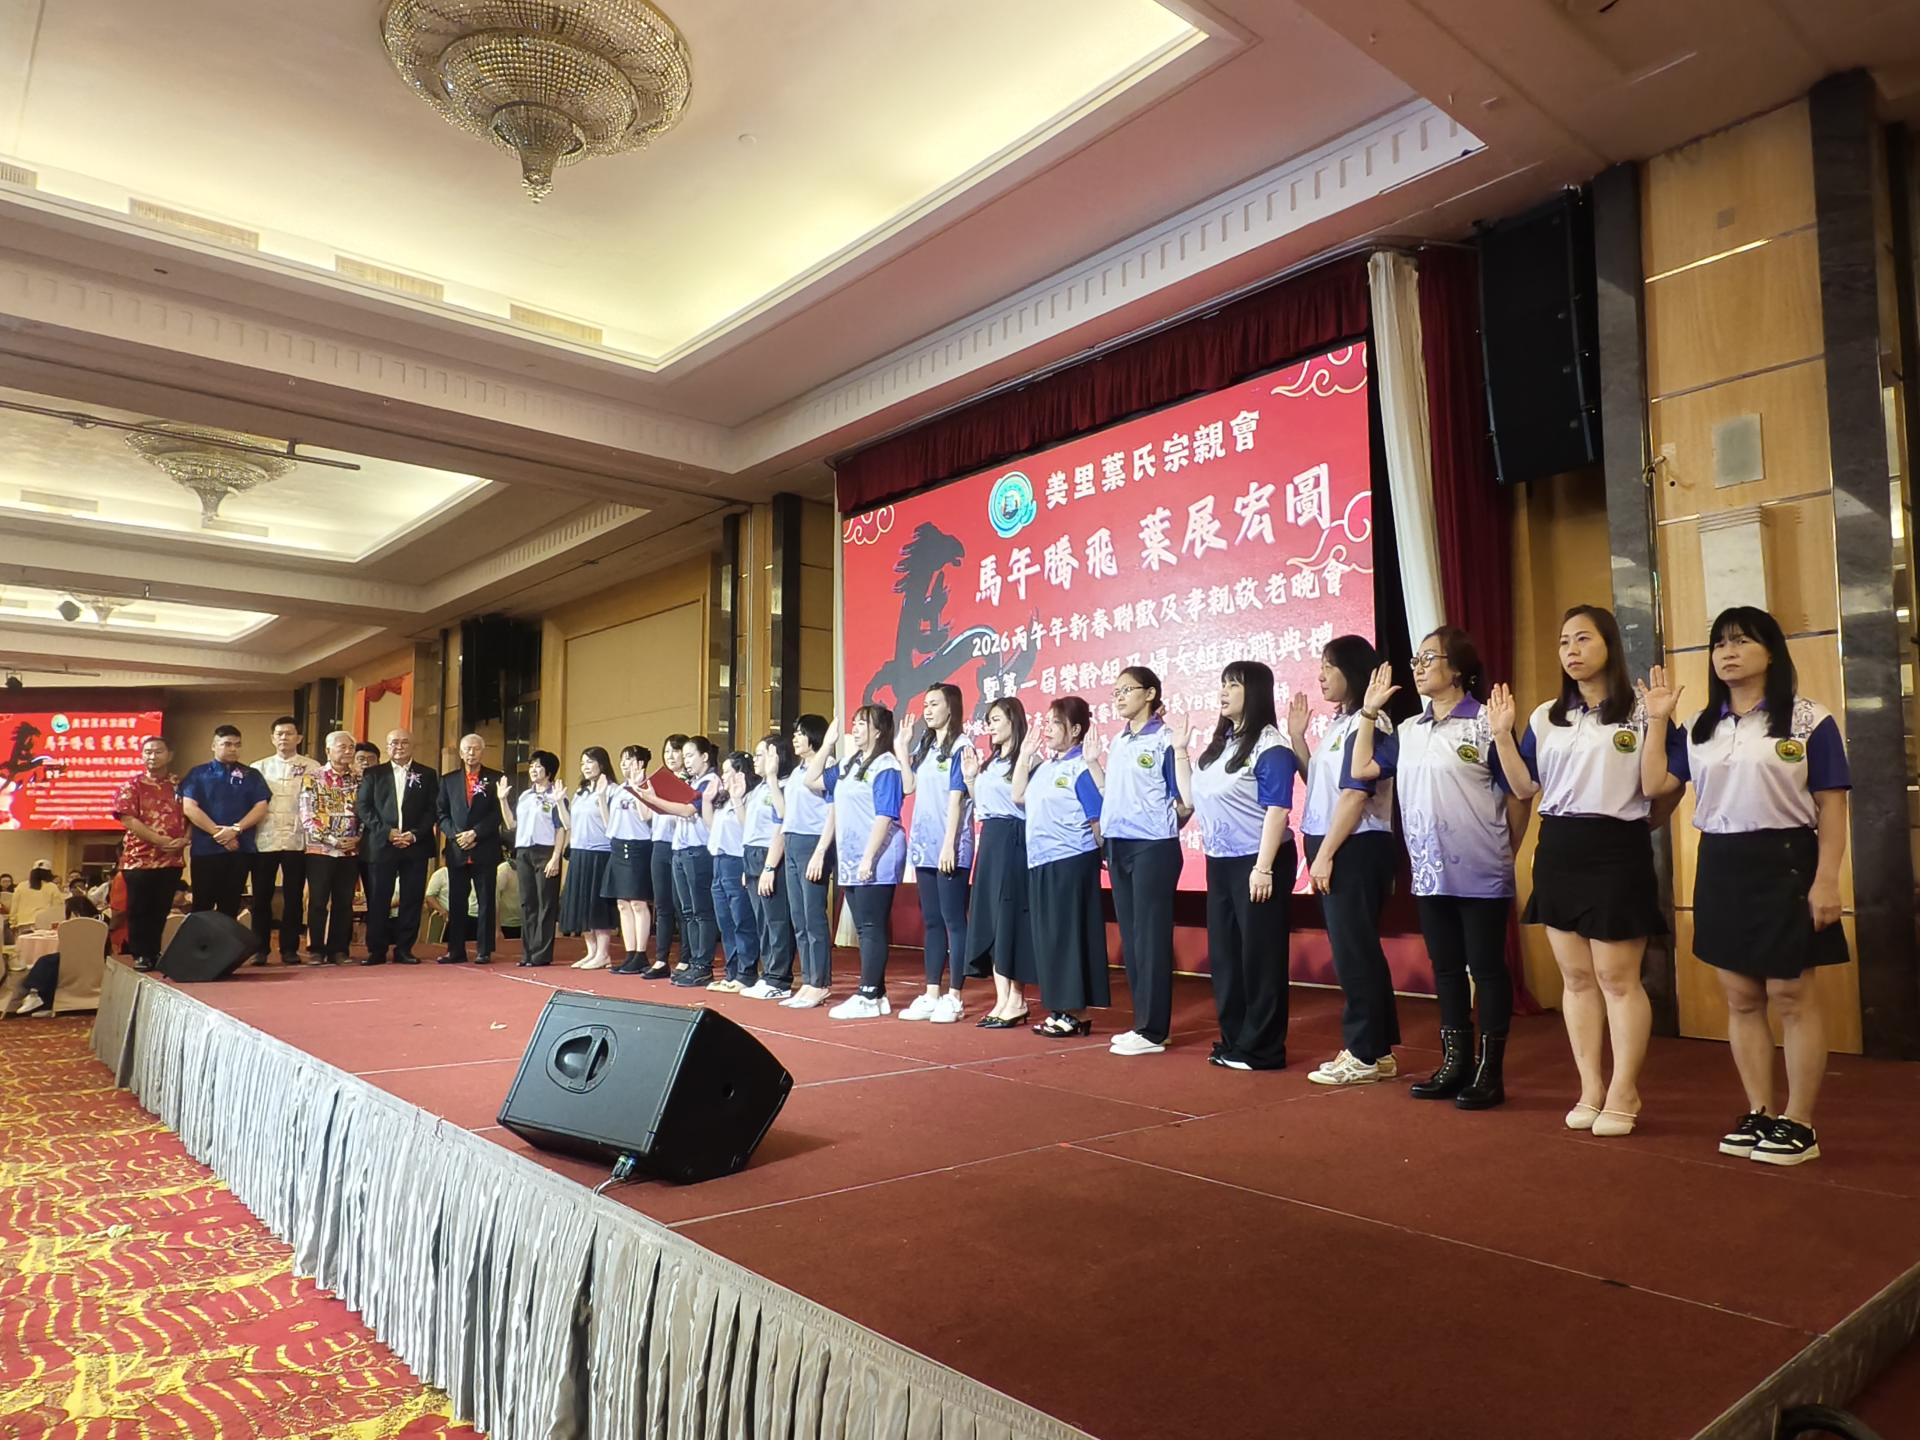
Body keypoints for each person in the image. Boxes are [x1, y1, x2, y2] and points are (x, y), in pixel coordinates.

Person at [1640, 607, 1850, 1166]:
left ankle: (1799, 1121)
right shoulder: (1702, 726)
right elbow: (1654, 784)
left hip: (1787, 861)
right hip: (1722, 863)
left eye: (1741, 642)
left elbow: (1832, 805)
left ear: (1771, 651)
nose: (1727, 653)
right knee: (1741, 997)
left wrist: (1827, 879)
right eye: (1719, 644)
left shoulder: (1808, 719)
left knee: (1791, 996)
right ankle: (1760, 1110)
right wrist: (1658, 720)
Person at [1490, 605, 1662, 1137]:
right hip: (1559, 846)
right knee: (1577, 978)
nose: (1571, 651)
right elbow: (1524, 787)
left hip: (1617, 847)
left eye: (1583, 639)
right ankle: (1590, 1086)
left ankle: (1624, 1089)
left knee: (1617, 978)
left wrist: (1658, 723)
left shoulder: (1642, 711)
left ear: (1609, 644)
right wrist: (1502, 734)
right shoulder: (1547, 716)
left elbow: (1662, 785)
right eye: (1565, 641)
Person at [1355, 630, 1517, 1108]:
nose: (1419, 666)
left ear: (1459, 668)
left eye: (1430, 658)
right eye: (1416, 659)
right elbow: (1362, 769)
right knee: (1446, 968)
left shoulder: (1486, 722)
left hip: (1483, 868)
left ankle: (1490, 1071)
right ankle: (1455, 1062)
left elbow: (1519, 791)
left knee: (1486, 969)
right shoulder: (1409, 730)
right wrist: (1368, 713)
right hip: (1429, 870)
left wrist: (1508, 849)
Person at [1300, 636, 1402, 1087]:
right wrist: (1298, 740)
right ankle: (1377, 1051)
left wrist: (1325, 854)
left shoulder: (1371, 722)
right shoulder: (1342, 722)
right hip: (1335, 841)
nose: (1321, 675)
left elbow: (1355, 794)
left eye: (1329, 666)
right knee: (1355, 950)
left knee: (1354, 951)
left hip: (1355, 845)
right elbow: (1324, 785)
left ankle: (1362, 1053)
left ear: (1353, 671)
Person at [1189, 661, 1301, 1071]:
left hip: (1259, 860)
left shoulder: (1271, 746)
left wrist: (1264, 867)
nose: (1223, 692)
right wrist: (1181, 751)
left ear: (1253, 693)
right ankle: (1235, 1039)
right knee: (1226, 956)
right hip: (1220, 862)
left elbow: (1278, 809)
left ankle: (1264, 1048)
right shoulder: (1222, 744)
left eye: (1233, 685)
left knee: (1261, 957)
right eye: (1222, 684)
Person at [1095, 665, 1191, 1057]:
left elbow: (1185, 800)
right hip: (1118, 845)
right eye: (1115, 691)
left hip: (1153, 847)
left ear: (1150, 694)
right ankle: (1144, 1024)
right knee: (1133, 938)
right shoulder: (1118, 741)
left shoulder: (1165, 740)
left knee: (1151, 938)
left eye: (1127, 690)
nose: (1118, 697)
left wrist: (1161, 827)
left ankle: (1153, 1030)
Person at [1017, 696, 1107, 1038]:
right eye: (1048, 722)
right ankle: (1060, 1008)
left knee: (1068, 937)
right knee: (1050, 937)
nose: (1049, 728)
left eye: (1056, 723)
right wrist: (1024, 757)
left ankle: (1075, 1011)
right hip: (1042, 861)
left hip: (1071, 860)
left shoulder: (1080, 767)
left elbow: (1097, 818)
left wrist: (1105, 854)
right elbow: (1018, 796)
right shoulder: (1046, 767)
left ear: (1076, 729)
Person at [898, 683, 974, 1023]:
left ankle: (954, 996)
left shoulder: (961, 746)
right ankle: (931, 993)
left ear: (950, 708)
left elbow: (957, 800)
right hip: (924, 844)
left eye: (934, 704)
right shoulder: (926, 746)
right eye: (925, 704)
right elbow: (908, 786)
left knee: (953, 920)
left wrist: (949, 844)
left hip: (950, 845)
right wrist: (902, 749)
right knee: (931, 921)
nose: (927, 710)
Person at [827, 707, 907, 1019]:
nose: (856, 728)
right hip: (851, 857)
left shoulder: (886, 765)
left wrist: (869, 857)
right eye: (854, 723)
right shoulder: (850, 763)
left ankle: (869, 994)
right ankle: (878, 993)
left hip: (876, 856)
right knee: (863, 927)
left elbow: (885, 815)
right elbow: (813, 780)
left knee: (872, 926)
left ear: (878, 731)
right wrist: (828, 743)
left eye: (863, 723)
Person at [963, 698, 1035, 1028]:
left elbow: (1026, 804)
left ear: (1012, 721)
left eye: (995, 719)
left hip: (1013, 840)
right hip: (990, 840)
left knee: (1009, 920)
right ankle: (1001, 999)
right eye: (988, 720)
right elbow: (983, 804)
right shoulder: (991, 763)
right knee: (991, 919)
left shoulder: (1026, 761)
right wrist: (970, 779)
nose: (989, 726)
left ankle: (1016, 999)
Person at [639, 737, 721, 988]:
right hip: (680, 850)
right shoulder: (692, 781)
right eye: (684, 756)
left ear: (704, 756)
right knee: (687, 911)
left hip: (699, 850)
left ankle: (703, 965)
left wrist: (654, 799)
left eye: (690, 755)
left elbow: (688, 810)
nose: (686, 761)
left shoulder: (710, 781)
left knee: (702, 911)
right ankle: (694, 962)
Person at [355, 727, 438, 966]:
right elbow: (364, 807)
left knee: (412, 898)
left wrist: (414, 834)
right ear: (387, 747)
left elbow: (433, 808)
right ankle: (376, 950)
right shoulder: (373, 773)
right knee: (378, 899)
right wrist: (387, 832)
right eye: (394, 743)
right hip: (381, 845)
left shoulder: (427, 774)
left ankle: (404, 949)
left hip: (415, 845)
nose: (399, 747)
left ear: (413, 745)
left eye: (404, 742)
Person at [248, 715, 322, 965]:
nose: (284, 738)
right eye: (279, 734)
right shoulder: (258, 767)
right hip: (264, 838)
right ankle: (259, 948)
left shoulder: (312, 766)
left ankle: (289, 948)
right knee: (261, 896)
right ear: (272, 738)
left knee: (293, 896)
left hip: (297, 839)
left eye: (289, 733)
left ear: (299, 737)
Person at [111, 735, 188, 970]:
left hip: (171, 859)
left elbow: (192, 813)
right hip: (139, 859)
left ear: (170, 755)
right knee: (139, 909)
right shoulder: (132, 785)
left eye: (158, 751)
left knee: (161, 909)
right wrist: (158, 840)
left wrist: (186, 839)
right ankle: (141, 954)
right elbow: (128, 819)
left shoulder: (180, 785)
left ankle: (154, 951)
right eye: (148, 752)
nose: (152, 756)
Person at [775, 714, 836, 1008]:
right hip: (792, 840)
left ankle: (820, 982)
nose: (795, 738)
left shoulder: (828, 765)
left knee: (814, 917)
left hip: (813, 843)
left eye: (800, 733)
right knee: (799, 919)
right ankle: (809, 980)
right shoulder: (797, 770)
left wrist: (821, 851)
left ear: (814, 736)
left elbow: (833, 811)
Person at [180, 726, 272, 921]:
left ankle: (226, 943)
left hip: (239, 849)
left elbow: (261, 807)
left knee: (230, 906)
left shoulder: (251, 775)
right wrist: (220, 835)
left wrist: (235, 830)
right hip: (206, 850)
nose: (233, 749)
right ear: (214, 745)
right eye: (227, 744)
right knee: (201, 906)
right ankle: (201, 942)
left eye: (237, 745)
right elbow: (189, 808)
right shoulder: (198, 774)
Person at [433, 734, 507, 965]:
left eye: (476, 749)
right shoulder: (448, 780)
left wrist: (476, 833)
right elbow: (441, 813)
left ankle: (484, 950)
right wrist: (457, 836)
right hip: (457, 849)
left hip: (484, 847)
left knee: (486, 901)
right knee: (456, 901)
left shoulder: (496, 778)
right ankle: (455, 950)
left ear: (483, 751)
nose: (471, 753)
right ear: (461, 753)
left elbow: (498, 813)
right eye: (467, 749)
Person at [740, 734, 796, 1000]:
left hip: (771, 855)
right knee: (762, 921)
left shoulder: (782, 786)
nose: (755, 760)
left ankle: (779, 978)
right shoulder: (758, 789)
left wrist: (770, 867)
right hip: (751, 855)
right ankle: (768, 973)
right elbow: (748, 826)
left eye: (761, 754)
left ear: (776, 756)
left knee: (777, 920)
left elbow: (781, 829)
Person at [299, 730, 363, 966]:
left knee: (344, 901)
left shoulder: (359, 778)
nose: (347, 751)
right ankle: (316, 949)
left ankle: (339, 949)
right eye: (342, 747)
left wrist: (358, 837)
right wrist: (332, 840)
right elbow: (307, 815)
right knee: (318, 901)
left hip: (351, 850)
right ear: (328, 750)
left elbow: (366, 812)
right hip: (320, 849)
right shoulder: (313, 777)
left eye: (350, 747)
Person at [504, 750, 568, 968]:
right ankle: (528, 952)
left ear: (549, 771)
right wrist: (502, 800)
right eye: (531, 766)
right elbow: (511, 824)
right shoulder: (525, 796)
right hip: (524, 851)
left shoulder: (556, 796)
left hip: (546, 851)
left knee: (546, 902)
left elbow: (561, 828)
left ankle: (541, 953)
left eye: (538, 766)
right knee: (527, 902)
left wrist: (556, 857)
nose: (533, 769)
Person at [706, 752, 761, 993]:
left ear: (741, 773)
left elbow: (749, 828)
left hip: (736, 861)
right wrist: (707, 800)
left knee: (742, 920)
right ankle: (732, 972)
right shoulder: (724, 799)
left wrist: (738, 798)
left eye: (728, 771)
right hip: (718, 861)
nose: (723, 776)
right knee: (725, 921)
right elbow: (711, 827)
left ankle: (746, 973)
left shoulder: (749, 797)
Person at [559, 746, 618, 969]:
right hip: (579, 851)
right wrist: (559, 802)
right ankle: (591, 951)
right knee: (581, 903)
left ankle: (603, 953)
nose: (585, 766)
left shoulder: (612, 790)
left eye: (590, 762)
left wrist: (601, 797)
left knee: (598, 904)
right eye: (582, 762)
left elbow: (611, 824)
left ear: (602, 764)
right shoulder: (581, 792)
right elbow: (569, 824)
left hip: (600, 852)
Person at [603, 745, 655, 975]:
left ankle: (641, 954)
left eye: (630, 760)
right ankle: (630, 953)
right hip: (617, 844)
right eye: (622, 759)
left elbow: (647, 816)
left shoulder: (647, 786)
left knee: (638, 902)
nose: (624, 764)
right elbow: (609, 823)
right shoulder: (618, 789)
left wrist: (637, 787)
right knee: (622, 903)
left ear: (641, 763)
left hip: (638, 846)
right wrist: (601, 798)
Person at [646, 733, 689, 976]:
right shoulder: (660, 781)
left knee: (682, 905)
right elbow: (648, 816)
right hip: (659, 844)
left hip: (680, 845)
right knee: (662, 905)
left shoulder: (690, 781)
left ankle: (686, 957)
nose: (670, 756)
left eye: (675, 750)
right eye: (667, 751)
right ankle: (661, 959)